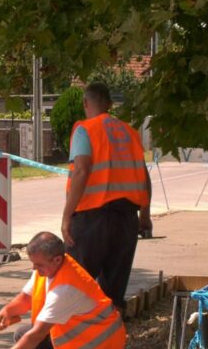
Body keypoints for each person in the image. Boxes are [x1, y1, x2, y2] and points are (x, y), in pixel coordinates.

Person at [0, 232, 126, 349]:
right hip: (74, 339)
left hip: (97, 346)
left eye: (39, 265)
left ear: (57, 259)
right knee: (21, 334)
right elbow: (26, 299)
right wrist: (7, 311)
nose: (34, 268)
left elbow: (36, 335)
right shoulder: (48, 269)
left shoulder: (65, 289)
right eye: (33, 263)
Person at [60, 82, 152, 312]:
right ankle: (111, 346)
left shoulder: (85, 129)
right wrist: (145, 215)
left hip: (91, 219)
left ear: (85, 103)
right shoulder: (129, 132)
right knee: (113, 295)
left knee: (76, 288)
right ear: (110, 104)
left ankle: (77, 345)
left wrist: (66, 216)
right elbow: (144, 177)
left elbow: (81, 170)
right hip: (126, 220)